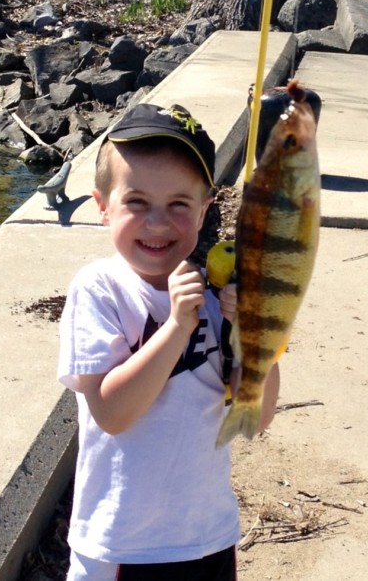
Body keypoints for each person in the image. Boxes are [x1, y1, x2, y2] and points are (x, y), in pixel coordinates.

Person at [57, 102, 280, 581]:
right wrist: (179, 326)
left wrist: (259, 333)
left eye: (179, 205)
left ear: (204, 211)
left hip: (208, 536)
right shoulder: (100, 290)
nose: (158, 223)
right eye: (137, 202)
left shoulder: (220, 295)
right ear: (103, 207)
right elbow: (112, 414)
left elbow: (256, 418)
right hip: (122, 546)